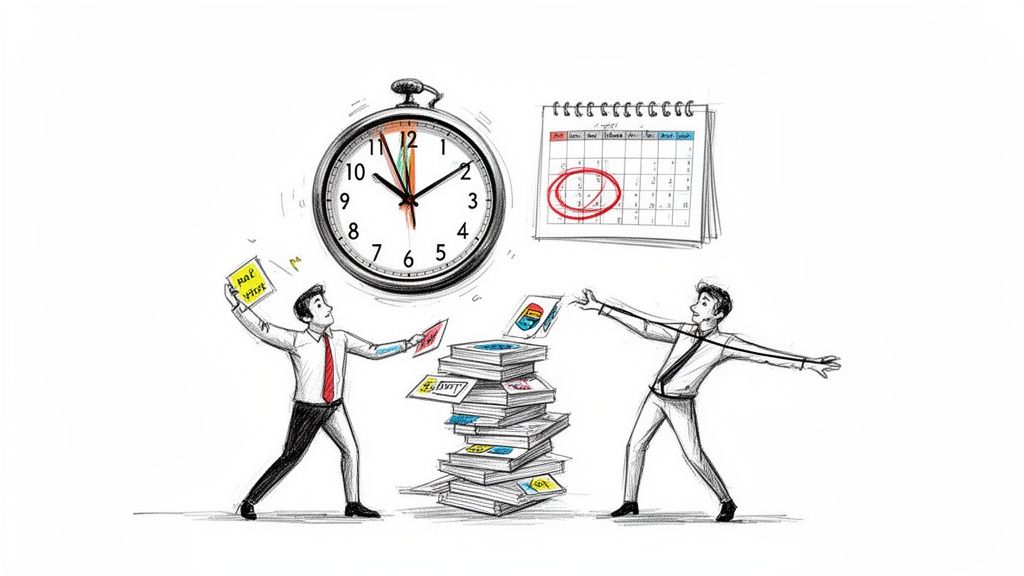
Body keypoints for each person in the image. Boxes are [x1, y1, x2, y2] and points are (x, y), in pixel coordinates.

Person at [573, 283, 840, 522]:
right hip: (655, 398)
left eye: (703, 303)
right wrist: (599, 307)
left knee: (694, 456)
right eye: (698, 301)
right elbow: (645, 327)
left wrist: (809, 363)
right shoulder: (683, 330)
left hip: (680, 404)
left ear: (718, 314)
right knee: (635, 445)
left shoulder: (725, 343)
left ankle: (726, 501)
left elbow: (764, 355)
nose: (694, 307)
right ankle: (630, 502)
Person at [223, 283, 424, 520]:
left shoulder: (341, 339)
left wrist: (406, 344)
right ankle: (249, 501)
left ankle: (353, 504)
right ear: (306, 317)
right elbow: (263, 329)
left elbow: (373, 350)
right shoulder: (296, 340)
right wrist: (237, 305)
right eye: (319, 305)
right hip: (307, 409)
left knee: (350, 450)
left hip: (334, 407)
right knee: (291, 457)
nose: (328, 307)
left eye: (325, 302)